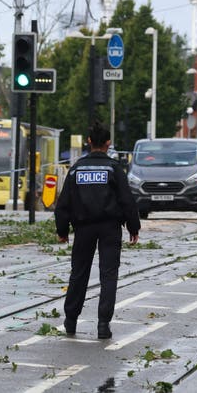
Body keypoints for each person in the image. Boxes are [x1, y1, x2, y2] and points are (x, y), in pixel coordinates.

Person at [54, 121, 140, 339]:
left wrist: (62, 230)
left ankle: (70, 320)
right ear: (108, 143)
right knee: (108, 275)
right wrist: (133, 226)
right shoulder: (114, 169)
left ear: (89, 141)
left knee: (79, 274)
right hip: (110, 228)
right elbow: (127, 200)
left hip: (83, 228)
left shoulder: (76, 169)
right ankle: (103, 324)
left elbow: (64, 203)